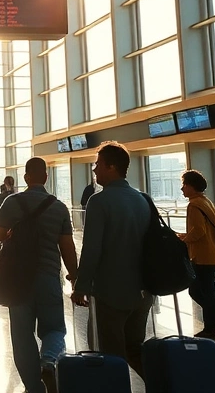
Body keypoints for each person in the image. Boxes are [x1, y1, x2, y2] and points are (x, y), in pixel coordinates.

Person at [0, 157, 79, 393]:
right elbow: (67, 247)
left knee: (22, 335)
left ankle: (34, 387)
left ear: (26, 177)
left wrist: (10, 233)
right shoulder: (59, 207)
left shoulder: (13, 202)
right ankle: (49, 360)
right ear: (46, 177)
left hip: (18, 278)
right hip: (49, 276)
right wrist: (74, 275)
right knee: (55, 329)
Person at [70, 141, 154, 378]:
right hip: (143, 292)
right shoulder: (143, 199)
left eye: (98, 164)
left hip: (112, 293)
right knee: (134, 350)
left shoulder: (99, 201)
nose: (95, 170)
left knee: (110, 356)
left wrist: (81, 286)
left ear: (112, 167)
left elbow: (92, 250)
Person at [178, 169, 215, 341]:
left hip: (203, 256)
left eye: (184, 184)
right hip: (213, 253)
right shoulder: (205, 201)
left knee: (201, 291)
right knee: (201, 291)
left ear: (192, 186)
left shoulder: (194, 205)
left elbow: (198, 231)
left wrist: (184, 239)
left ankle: (211, 327)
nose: (182, 189)